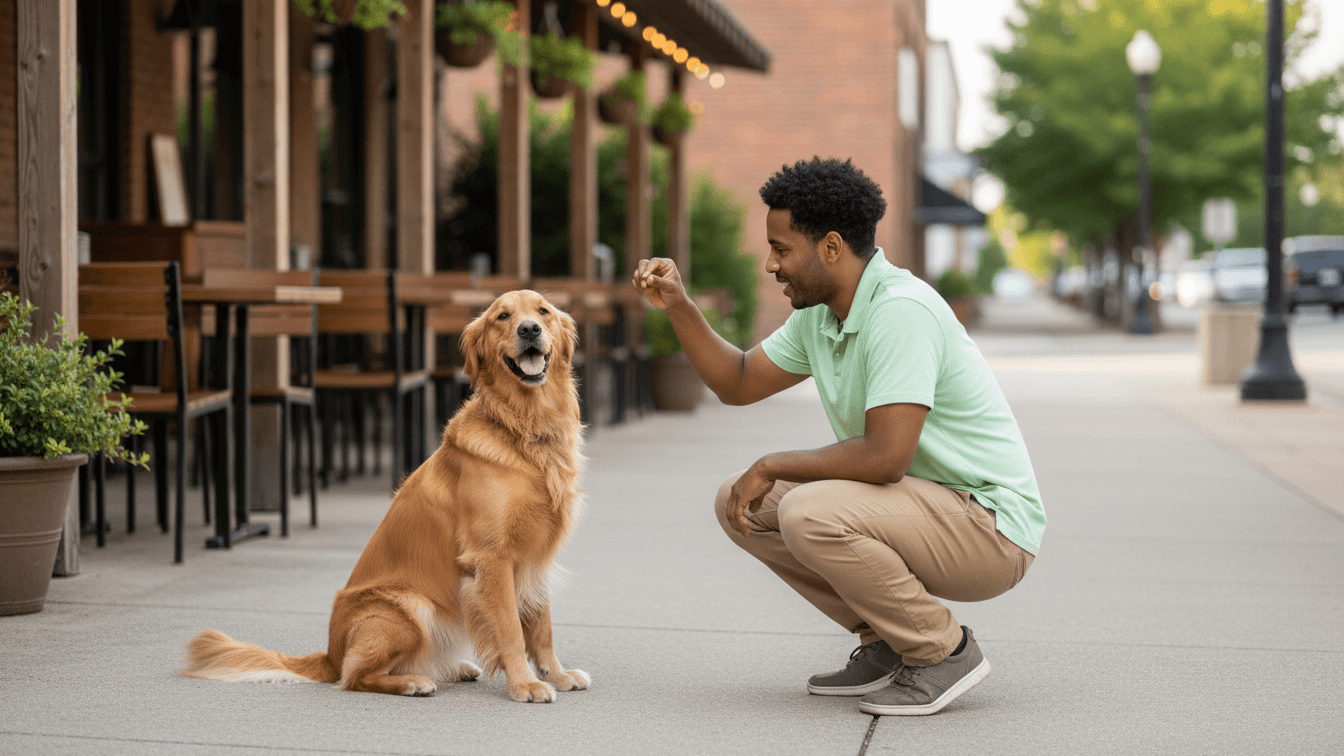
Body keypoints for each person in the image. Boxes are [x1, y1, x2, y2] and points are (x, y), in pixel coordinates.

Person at [632, 157, 1045, 716]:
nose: (771, 264)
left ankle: (941, 651)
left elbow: (886, 457)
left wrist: (776, 462)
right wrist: (679, 306)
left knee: (808, 511)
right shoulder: (820, 314)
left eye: (781, 249)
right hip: (928, 509)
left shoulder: (900, 312)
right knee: (743, 500)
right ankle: (884, 640)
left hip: (990, 527)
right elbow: (738, 381)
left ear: (830, 247)